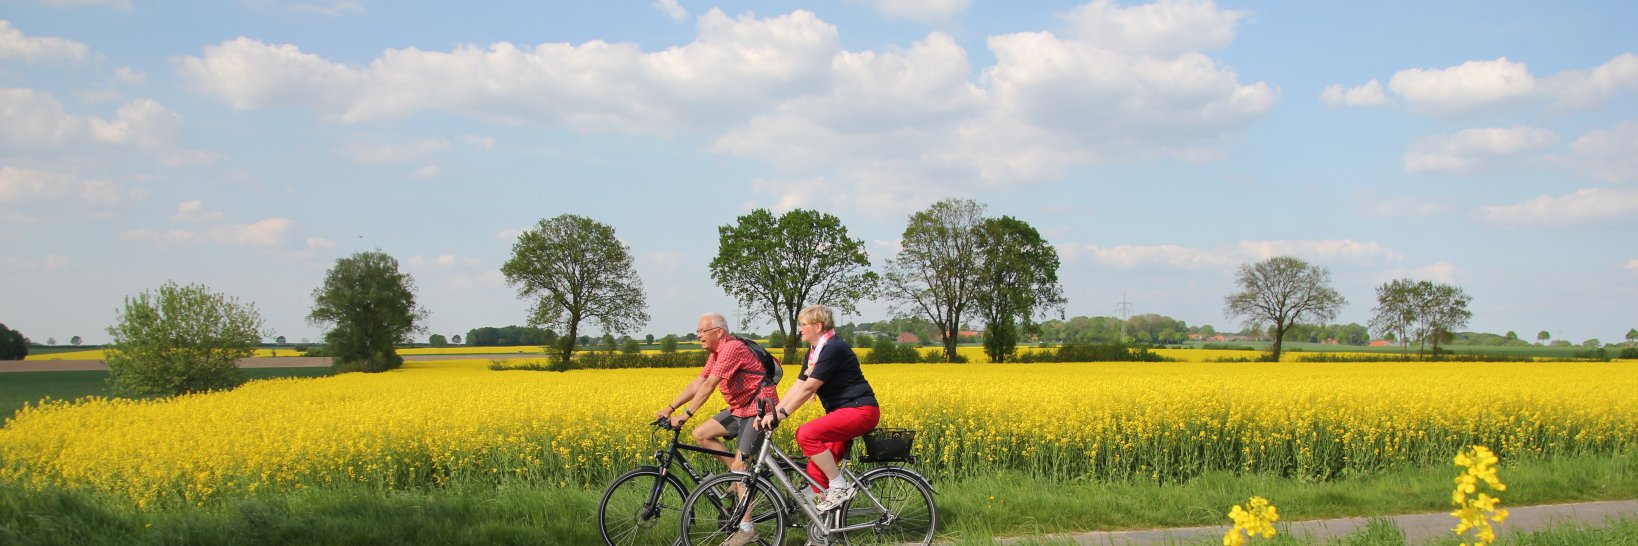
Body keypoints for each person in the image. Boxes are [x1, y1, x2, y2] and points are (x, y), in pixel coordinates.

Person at [657, 312, 778, 546]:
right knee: (701, 434)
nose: (698, 335)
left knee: (741, 466)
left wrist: (686, 415)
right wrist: (670, 408)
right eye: (698, 331)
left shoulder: (731, 348)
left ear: (719, 332)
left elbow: (711, 385)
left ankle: (747, 529)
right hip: (739, 408)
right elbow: (699, 382)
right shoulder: (716, 353)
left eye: (703, 331)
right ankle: (736, 479)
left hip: (758, 409)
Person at [758, 304, 879, 513]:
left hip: (860, 411)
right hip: (844, 413)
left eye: (803, 325)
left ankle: (840, 487)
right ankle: (823, 530)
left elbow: (810, 388)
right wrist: (774, 411)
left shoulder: (833, 348)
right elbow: (799, 385)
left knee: (806, 434)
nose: (800, 329)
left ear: (818, 326)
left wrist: (782, 414)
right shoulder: (815, 351)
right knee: (815, 470)